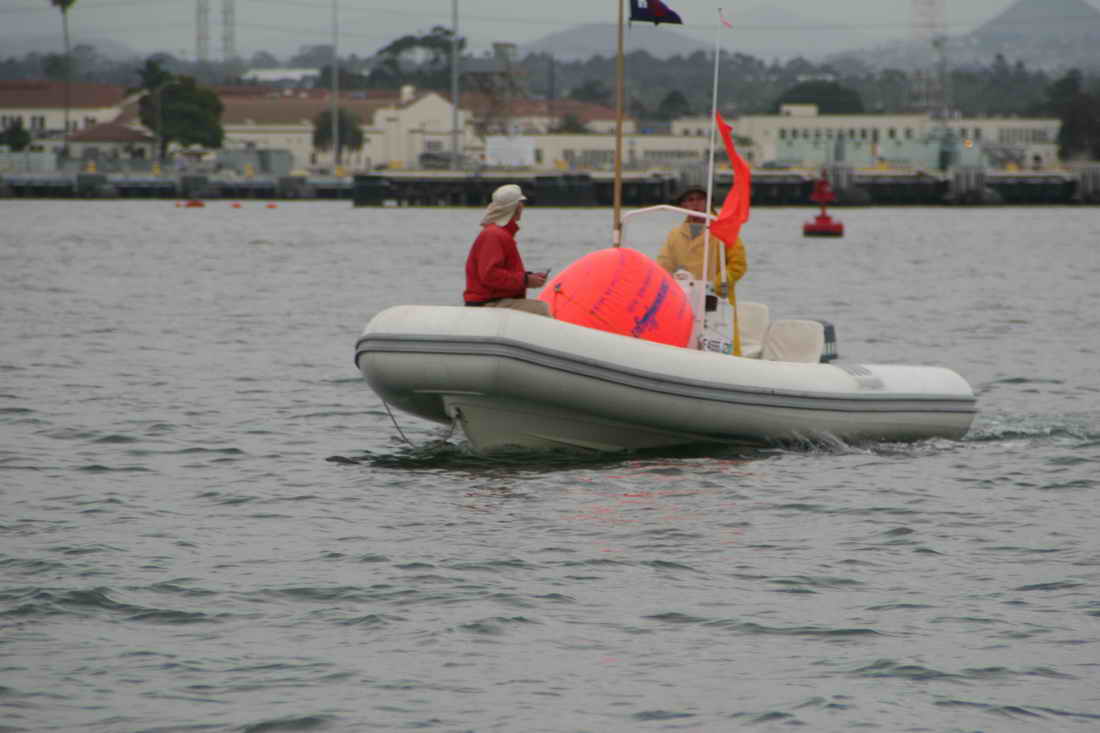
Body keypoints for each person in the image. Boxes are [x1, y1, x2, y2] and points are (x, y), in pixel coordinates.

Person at [463, 184, 551, 316]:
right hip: (487, 303)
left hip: (493, 300)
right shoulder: (494, 235)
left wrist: (528, 277)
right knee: (541, 309)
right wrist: (525, 280)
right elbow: (490, 275)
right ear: (516, 207)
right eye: (520, 203)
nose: (522, 207)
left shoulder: (497, 233)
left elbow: (496, 273)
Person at [656, 185, 747, 289]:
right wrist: (668, 284)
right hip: (683, 293)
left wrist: (719, 283)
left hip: (715, 294)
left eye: (700, 199)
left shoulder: (725, 230)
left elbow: (738, 264)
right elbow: (664, 264)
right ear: (683, 205)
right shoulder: (674, 234)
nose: (695, 203)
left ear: (708, 203)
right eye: (690, 200)